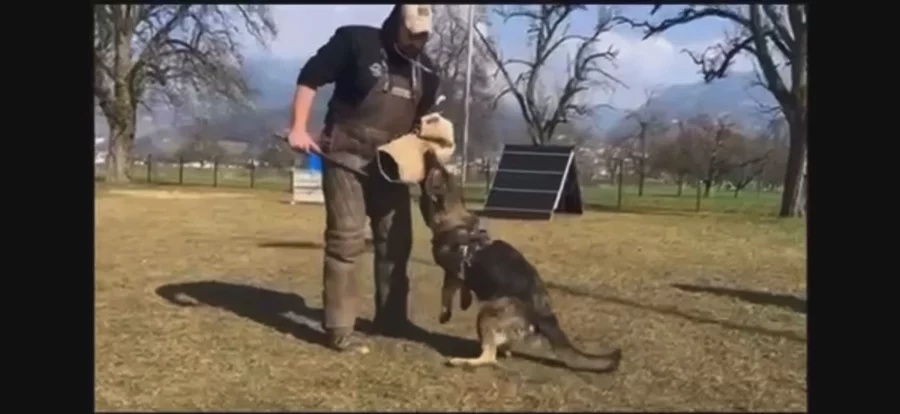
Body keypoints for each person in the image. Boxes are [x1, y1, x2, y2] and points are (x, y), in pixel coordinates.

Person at [286, 4, 442, 353]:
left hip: (391, 165)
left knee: (396, 243)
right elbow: (310, 77)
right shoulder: (356, 42)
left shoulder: (428, 73)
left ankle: (393, 320)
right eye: (411, 33)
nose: (417, 41)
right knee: (346, 240)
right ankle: (340, 328)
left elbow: (419, 124)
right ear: (396, 23)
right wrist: (298, 127)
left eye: (423, 36)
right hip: (345, 154)